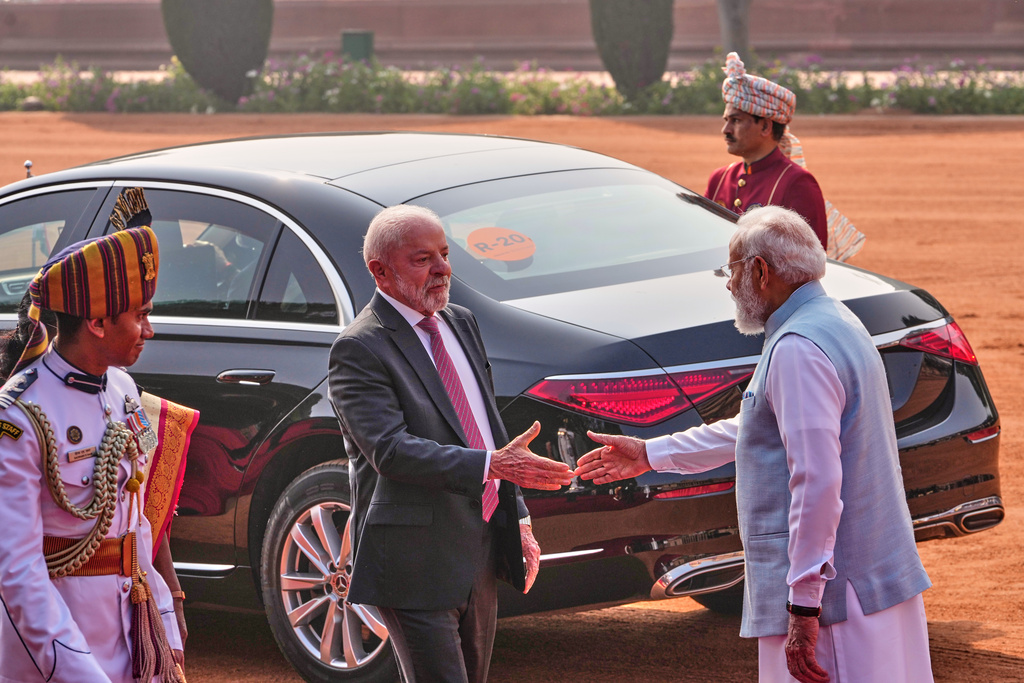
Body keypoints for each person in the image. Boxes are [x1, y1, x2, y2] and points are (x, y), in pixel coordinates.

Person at [576, 206, 933, 683]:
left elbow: (818, 483)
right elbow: (758, 429)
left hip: (836, 603)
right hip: (870, 582)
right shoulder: (833, 321)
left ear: (761, 272)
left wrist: (804, 603)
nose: (728, 284)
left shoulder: (797, 347)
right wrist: (649, 454)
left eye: (732, 270)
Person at [328, 205, 573, 683]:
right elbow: (390, 450)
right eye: (423, 259)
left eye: (444, 253)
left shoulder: (460, 322)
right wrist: (492, 465)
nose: (443, 268)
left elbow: (484, 425)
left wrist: (517, 515)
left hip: (478, 548)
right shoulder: (359, 348)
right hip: (412, 561)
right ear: (380, 270)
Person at [0, 188, 185, 682]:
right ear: (99, 322)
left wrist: (164, 617)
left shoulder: (122, 388)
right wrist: (75, 668)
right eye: (140, 315)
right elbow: (17, 574)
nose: (149, 330)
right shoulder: (20, 416)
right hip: (58, 651)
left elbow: (136, 519)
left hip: (129, 634)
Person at [706, 52, 829, 251]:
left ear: (765, 127)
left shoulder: (796, 184)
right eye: (726, 120)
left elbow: (811, 262)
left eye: (736, 121)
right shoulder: (719, 178)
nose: (726, 130)